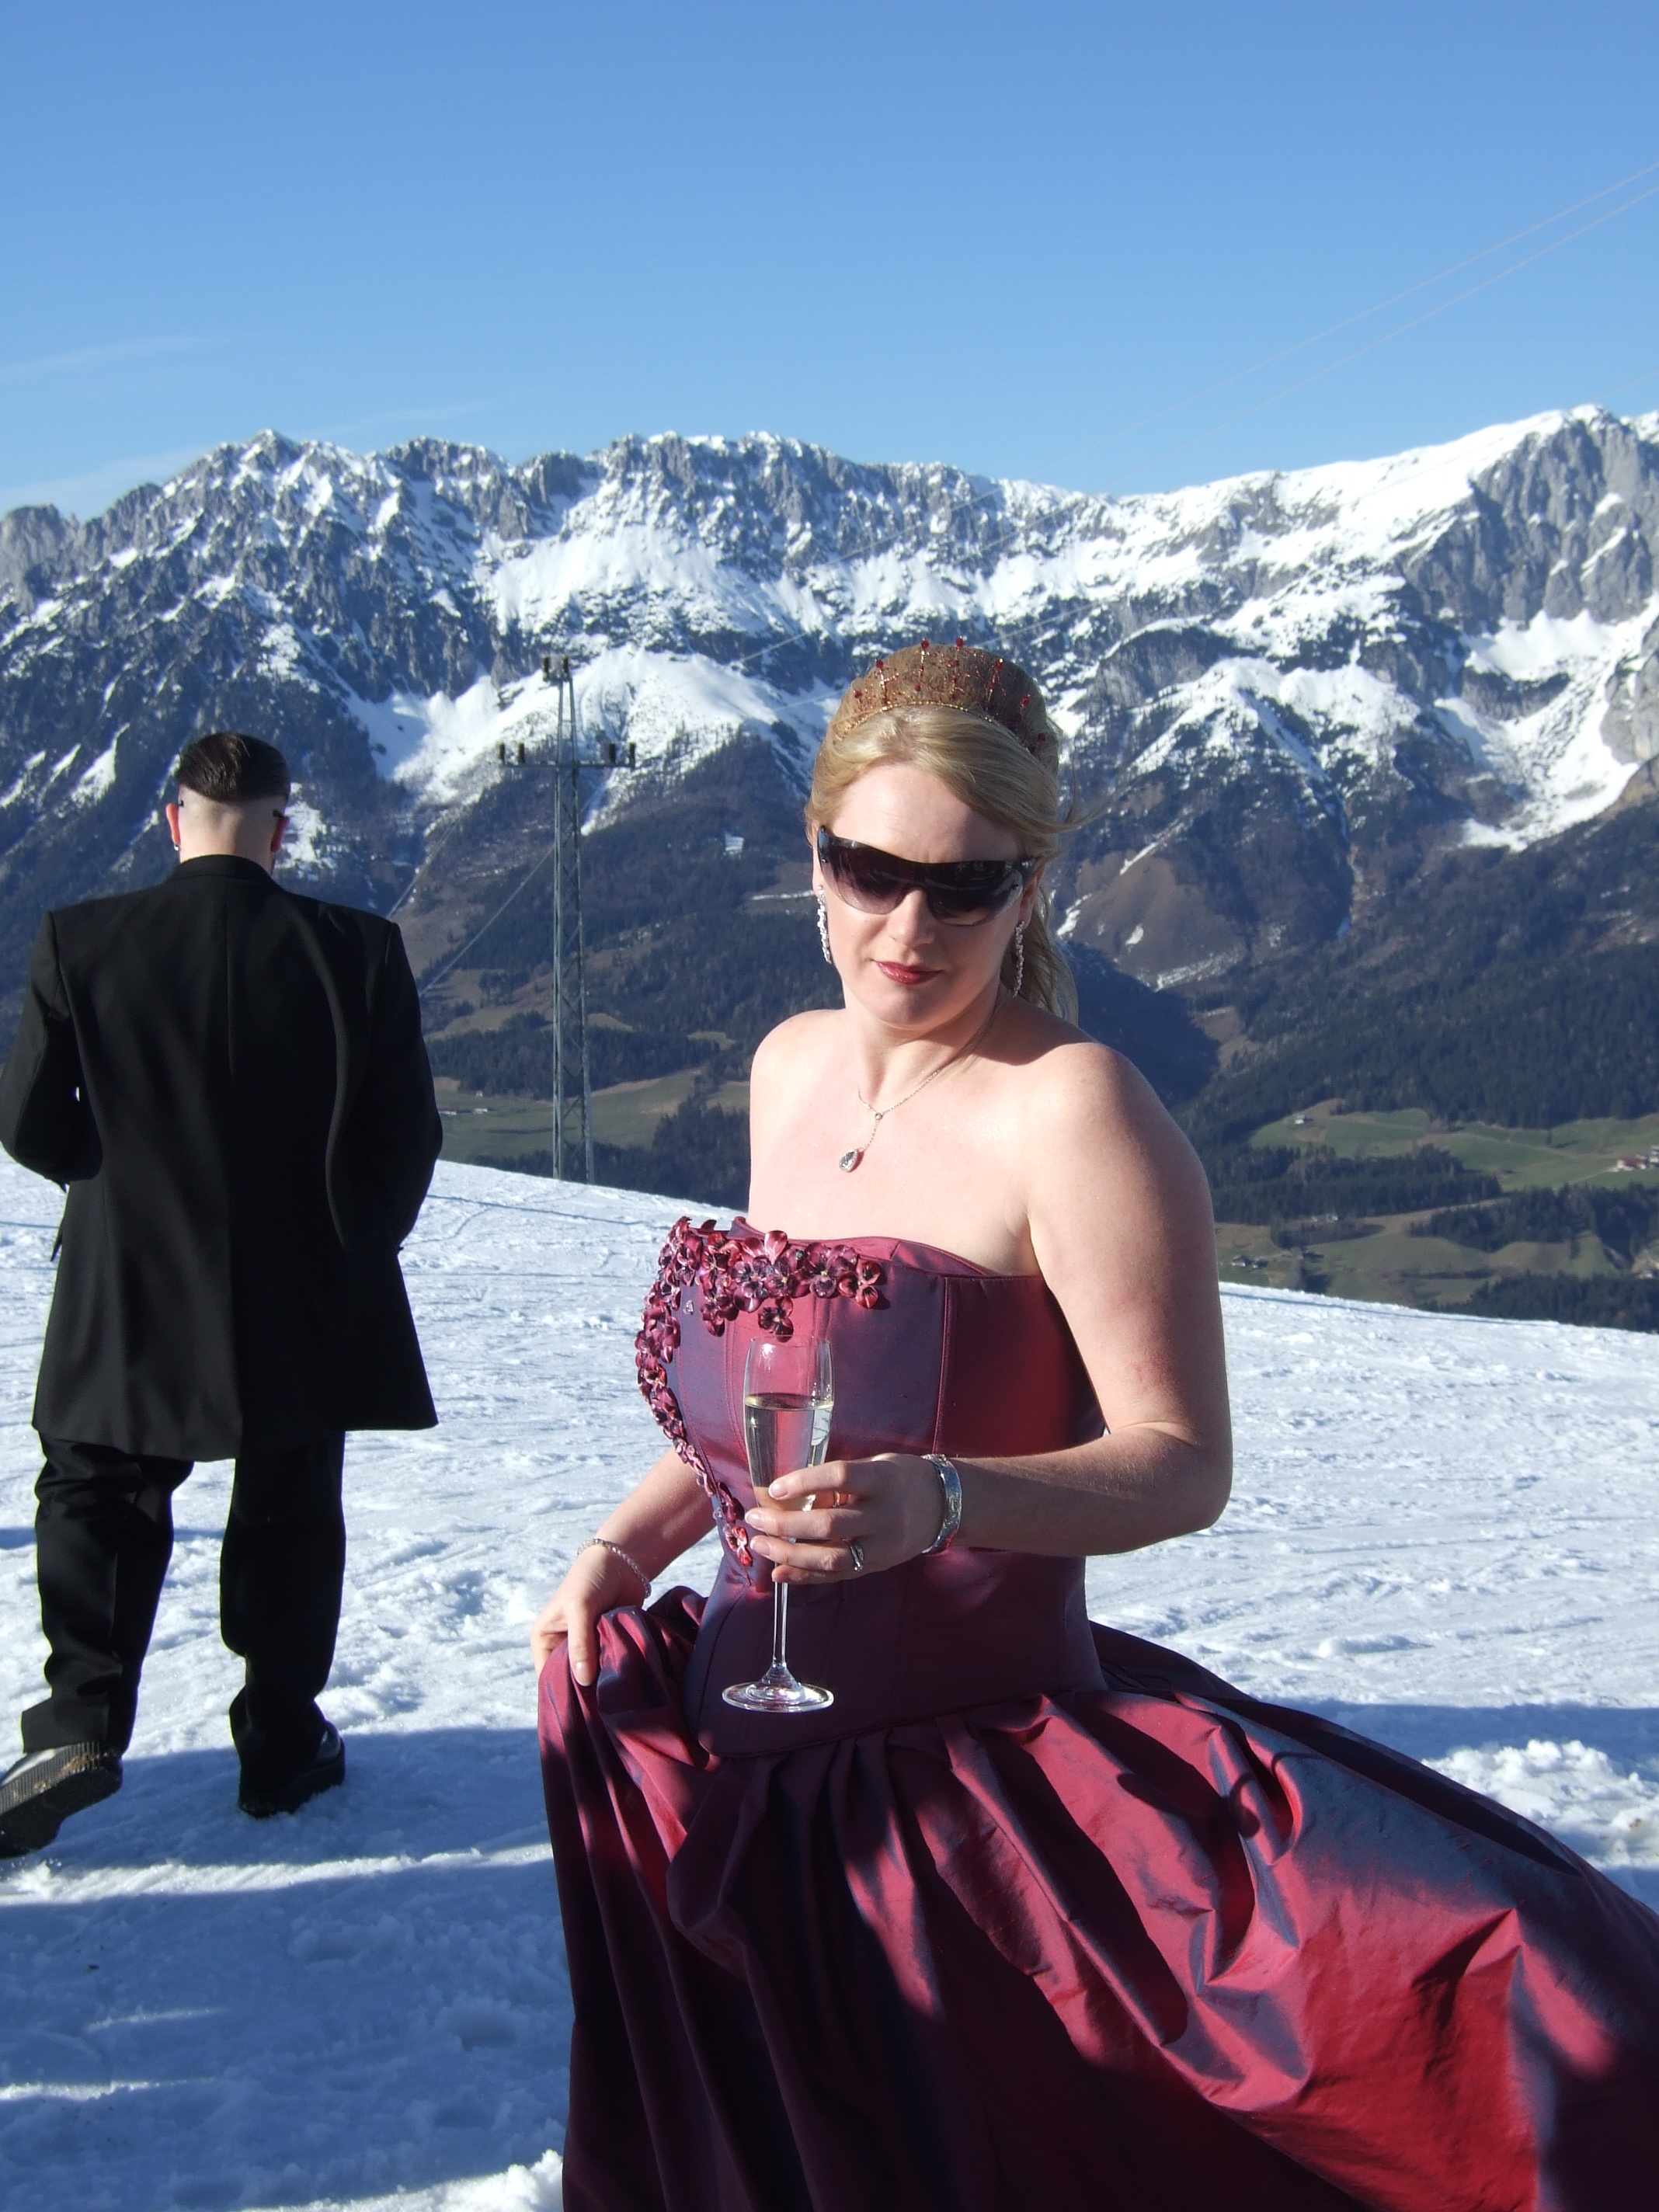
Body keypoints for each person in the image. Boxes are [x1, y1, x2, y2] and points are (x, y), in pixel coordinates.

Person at [533, 642, 1659, 2211]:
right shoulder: (790, 1068)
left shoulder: (1075, 1110)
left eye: (965, 886)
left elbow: (1182, 1461)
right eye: (871, 872)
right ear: (815, 852)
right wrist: (623, 1545)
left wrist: (944, 1501)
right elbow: (766, 1420)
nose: (909, 927)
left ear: (1031, 886)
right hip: (758, 1790)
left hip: (969, 1821)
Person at [0, 732, 441, 1854]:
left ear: (172, 820)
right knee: (290, 1499)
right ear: (280, 831)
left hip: (128, 1271)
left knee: (96, 1483)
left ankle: (80, 1725)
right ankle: (281, 1742)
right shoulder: (359, 948)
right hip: (306, 1276)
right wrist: (351, 1243)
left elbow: (29, 1124)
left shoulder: (80, 939)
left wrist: (112, 1187)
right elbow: (406, 1138)